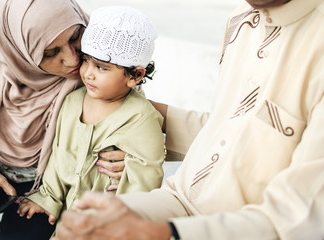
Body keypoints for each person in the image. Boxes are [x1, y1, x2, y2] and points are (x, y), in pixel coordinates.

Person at [53, 0, 324, 239]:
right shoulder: (244, 17)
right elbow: (233, 126)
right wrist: (133, 125)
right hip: (174, 202)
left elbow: (299, 219)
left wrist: (164, 232)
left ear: (136, 74)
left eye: (101, 66)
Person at [0, 0, 127, 239]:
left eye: (75, 37)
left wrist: (135, 154)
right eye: (50, 53)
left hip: (53, 188)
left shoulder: (103, 53)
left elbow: (135, 113)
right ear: (17, 50)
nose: (73, 60)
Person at [17, 6, 165, 227]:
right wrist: (48, 198)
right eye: (86, 60)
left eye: (101, 67)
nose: (87, 72)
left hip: (106, 220)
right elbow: (58, 156)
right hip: (67, 216)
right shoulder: (72, 101)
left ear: (135, 75)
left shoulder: (141, 118)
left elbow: (146, 177)